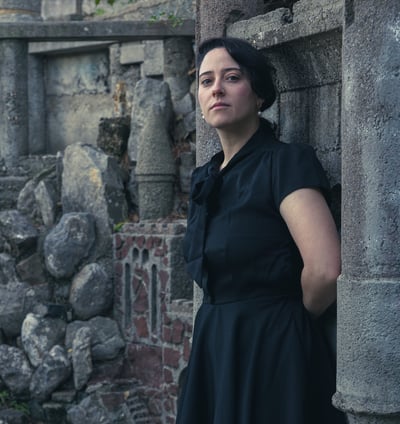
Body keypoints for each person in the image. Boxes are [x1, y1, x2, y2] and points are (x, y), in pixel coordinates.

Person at [177, 37, 346, 424]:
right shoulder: (205, 178)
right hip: (216, 345)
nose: (216, 88)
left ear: (259, 95)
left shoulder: (284, 163)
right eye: (206, 81)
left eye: (231, 77)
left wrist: (281, 321)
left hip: (273, 346)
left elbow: (324, 269)